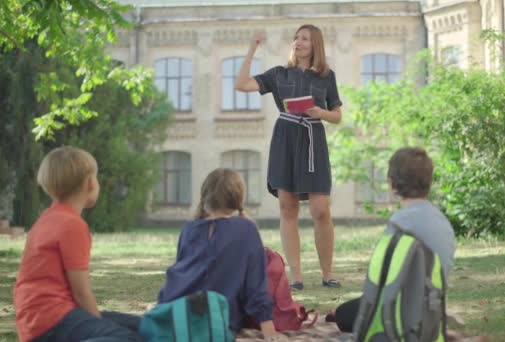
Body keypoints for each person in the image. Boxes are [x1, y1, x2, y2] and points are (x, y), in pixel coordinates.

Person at [235, 24, 343, 290]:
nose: (298, 42)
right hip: (285, 139)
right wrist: (253, 47)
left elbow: (337, 115)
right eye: (296, 38)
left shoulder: (327, 77)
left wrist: (321, 113)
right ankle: (296, 277)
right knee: (288, 207)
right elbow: (241, 84)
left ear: (315, 44)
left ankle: (327, 274)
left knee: (321, 209)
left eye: (305, 38)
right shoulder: (278, 74)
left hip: (312, 139)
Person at [13, 146, 142, 342]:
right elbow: (81, 292)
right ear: (90, 183)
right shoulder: (72, 225)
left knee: (140, 325)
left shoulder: (46, 218)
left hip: (36, 319)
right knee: (129, 338)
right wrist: (100, 325)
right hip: (52, 320)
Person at [328, 147, 457, 333]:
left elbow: (384, 278)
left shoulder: (399, 223)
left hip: (401, 307)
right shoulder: (443, 222)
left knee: (343, 314)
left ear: (390, 183)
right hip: (432, 306)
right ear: (429, 181)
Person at [157, 168, 285, 341]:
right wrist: (268, 329)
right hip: (218, 320)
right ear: (238, 197)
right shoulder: (246, 229)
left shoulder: (189, 228)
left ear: (205, 195)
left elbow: (181, 275)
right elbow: (256, 285)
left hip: (175, 313)